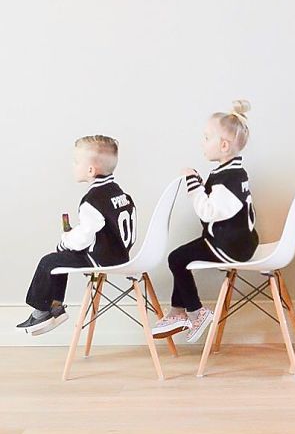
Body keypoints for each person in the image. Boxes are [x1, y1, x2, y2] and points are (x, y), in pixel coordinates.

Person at [152, 100, 259, 343]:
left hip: (229, 246)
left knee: (176, 258)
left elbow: (208, 212)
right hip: (239, 241)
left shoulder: (228, 178)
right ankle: (177, 312)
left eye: (207, 137)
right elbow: (221, 204)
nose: (202, 142)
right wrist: (200, 183)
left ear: (223, 145)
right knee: (181, 257)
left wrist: (193, 185)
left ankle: (195, 311)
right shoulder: (231, 173)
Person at [17, 135, 136, 335]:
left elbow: (82, 239)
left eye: (76, 162)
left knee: (49, 261)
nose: (73, 165)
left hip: (102, 259)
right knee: (59, 260)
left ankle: (42, 311)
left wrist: (65, 241)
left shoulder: (92, 200)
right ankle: (55, 306)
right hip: (122, 256)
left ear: (90, 170)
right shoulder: (120, 194)